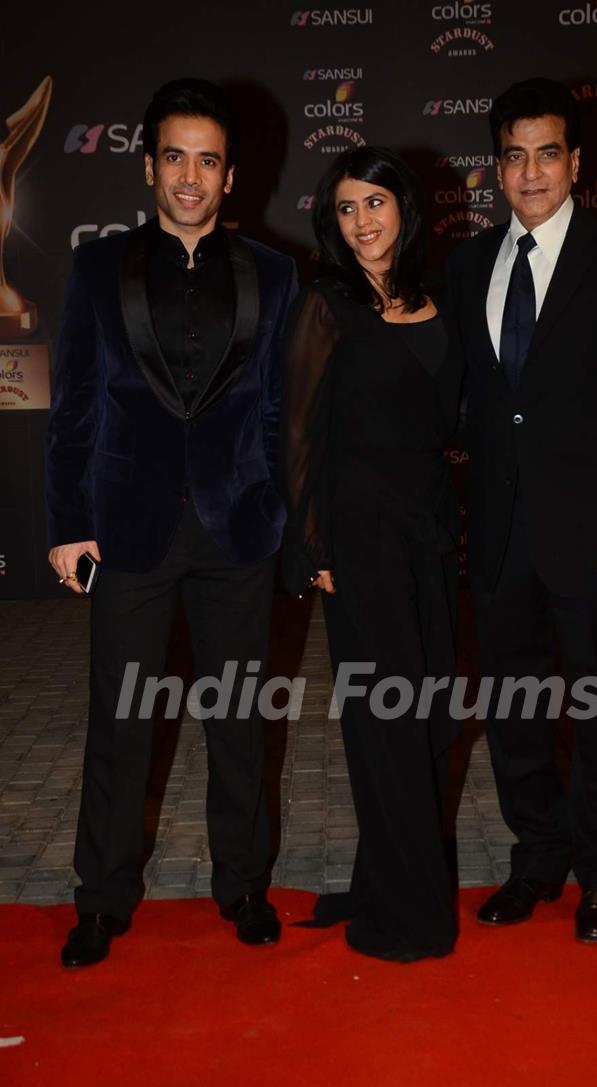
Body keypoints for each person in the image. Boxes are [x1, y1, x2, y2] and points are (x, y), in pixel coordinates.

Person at [46, 79, 298, 967]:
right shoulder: (96, 268)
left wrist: (281, 514)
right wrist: (69, 520)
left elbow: (277, 411)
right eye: (176, 156)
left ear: (232, 177)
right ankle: (102, 895)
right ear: (150, 163)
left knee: (238, 720)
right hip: (128, 527)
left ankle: (244, 884)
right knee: (119, 721)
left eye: (210, 160)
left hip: (238, 531)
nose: (191, 176)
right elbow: (74, 404)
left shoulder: (274, 274)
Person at [446, 77, 597, 942]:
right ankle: (538, 856)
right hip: (501, 535)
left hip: (596, 534)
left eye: (548, 153)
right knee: (511, 707)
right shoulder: (469, 265)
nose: (531, 172)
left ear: (577, 163)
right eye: (514, 154)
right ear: (495, 166)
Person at [283, 146, 464, 962]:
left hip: (429, 529)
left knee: (428, 717)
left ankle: (380, 874)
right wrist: (311, 539)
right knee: (386, 716)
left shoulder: (439, 301)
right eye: (347, 207)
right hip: (356, 538)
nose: (362, 221)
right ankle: (410, 914)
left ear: (405, 208)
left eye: (376, 203)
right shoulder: (327, 303)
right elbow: (296, 430)